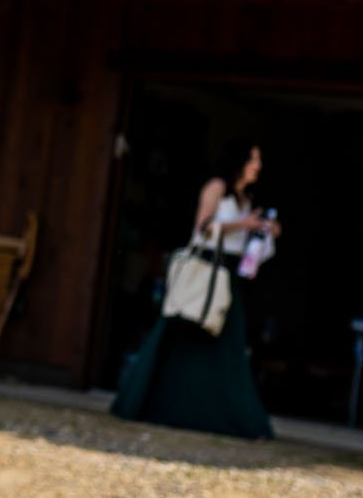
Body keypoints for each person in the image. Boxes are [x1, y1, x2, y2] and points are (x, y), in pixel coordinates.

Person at [111, 140, 282, 441]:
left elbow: (242, 246)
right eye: (253, 159)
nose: (258, 166)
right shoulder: (216, 187)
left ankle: (221, 416)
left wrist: (262, 231)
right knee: (181, 334)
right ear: (239, 160)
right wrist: (241, 223)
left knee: (227, 349)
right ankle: (150, 404)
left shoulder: (246, 197)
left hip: (229, 277)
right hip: (205, 272)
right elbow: (202, 227)